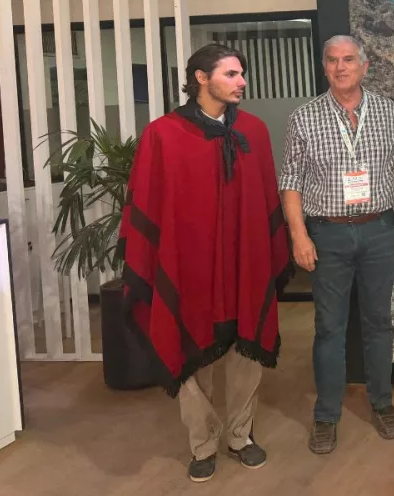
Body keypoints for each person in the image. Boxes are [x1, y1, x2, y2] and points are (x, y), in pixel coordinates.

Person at [118, 43, 290, 482]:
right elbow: (149, 203)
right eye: (231, 74)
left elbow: (264, 197)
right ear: (200, 78)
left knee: (248, 348)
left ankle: (240, 435)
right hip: (189, 266)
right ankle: (203, 443)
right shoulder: (162, 135)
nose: (242, 82)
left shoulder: (253, 131)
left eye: (242, 73)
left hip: (245, 262)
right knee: (190, 349)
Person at [279, 35, 394, 454]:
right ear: (325, 68)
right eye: (332, 60)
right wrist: (299, 235)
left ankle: (382, 404)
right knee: (329, 328)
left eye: (348, 59)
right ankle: (326, 415)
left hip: (378, 230)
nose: (340, 67)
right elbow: (291, 181)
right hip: (327, 233)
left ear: (364, 66)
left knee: (379, 322)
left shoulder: (387, 111)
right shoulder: (304, 118)